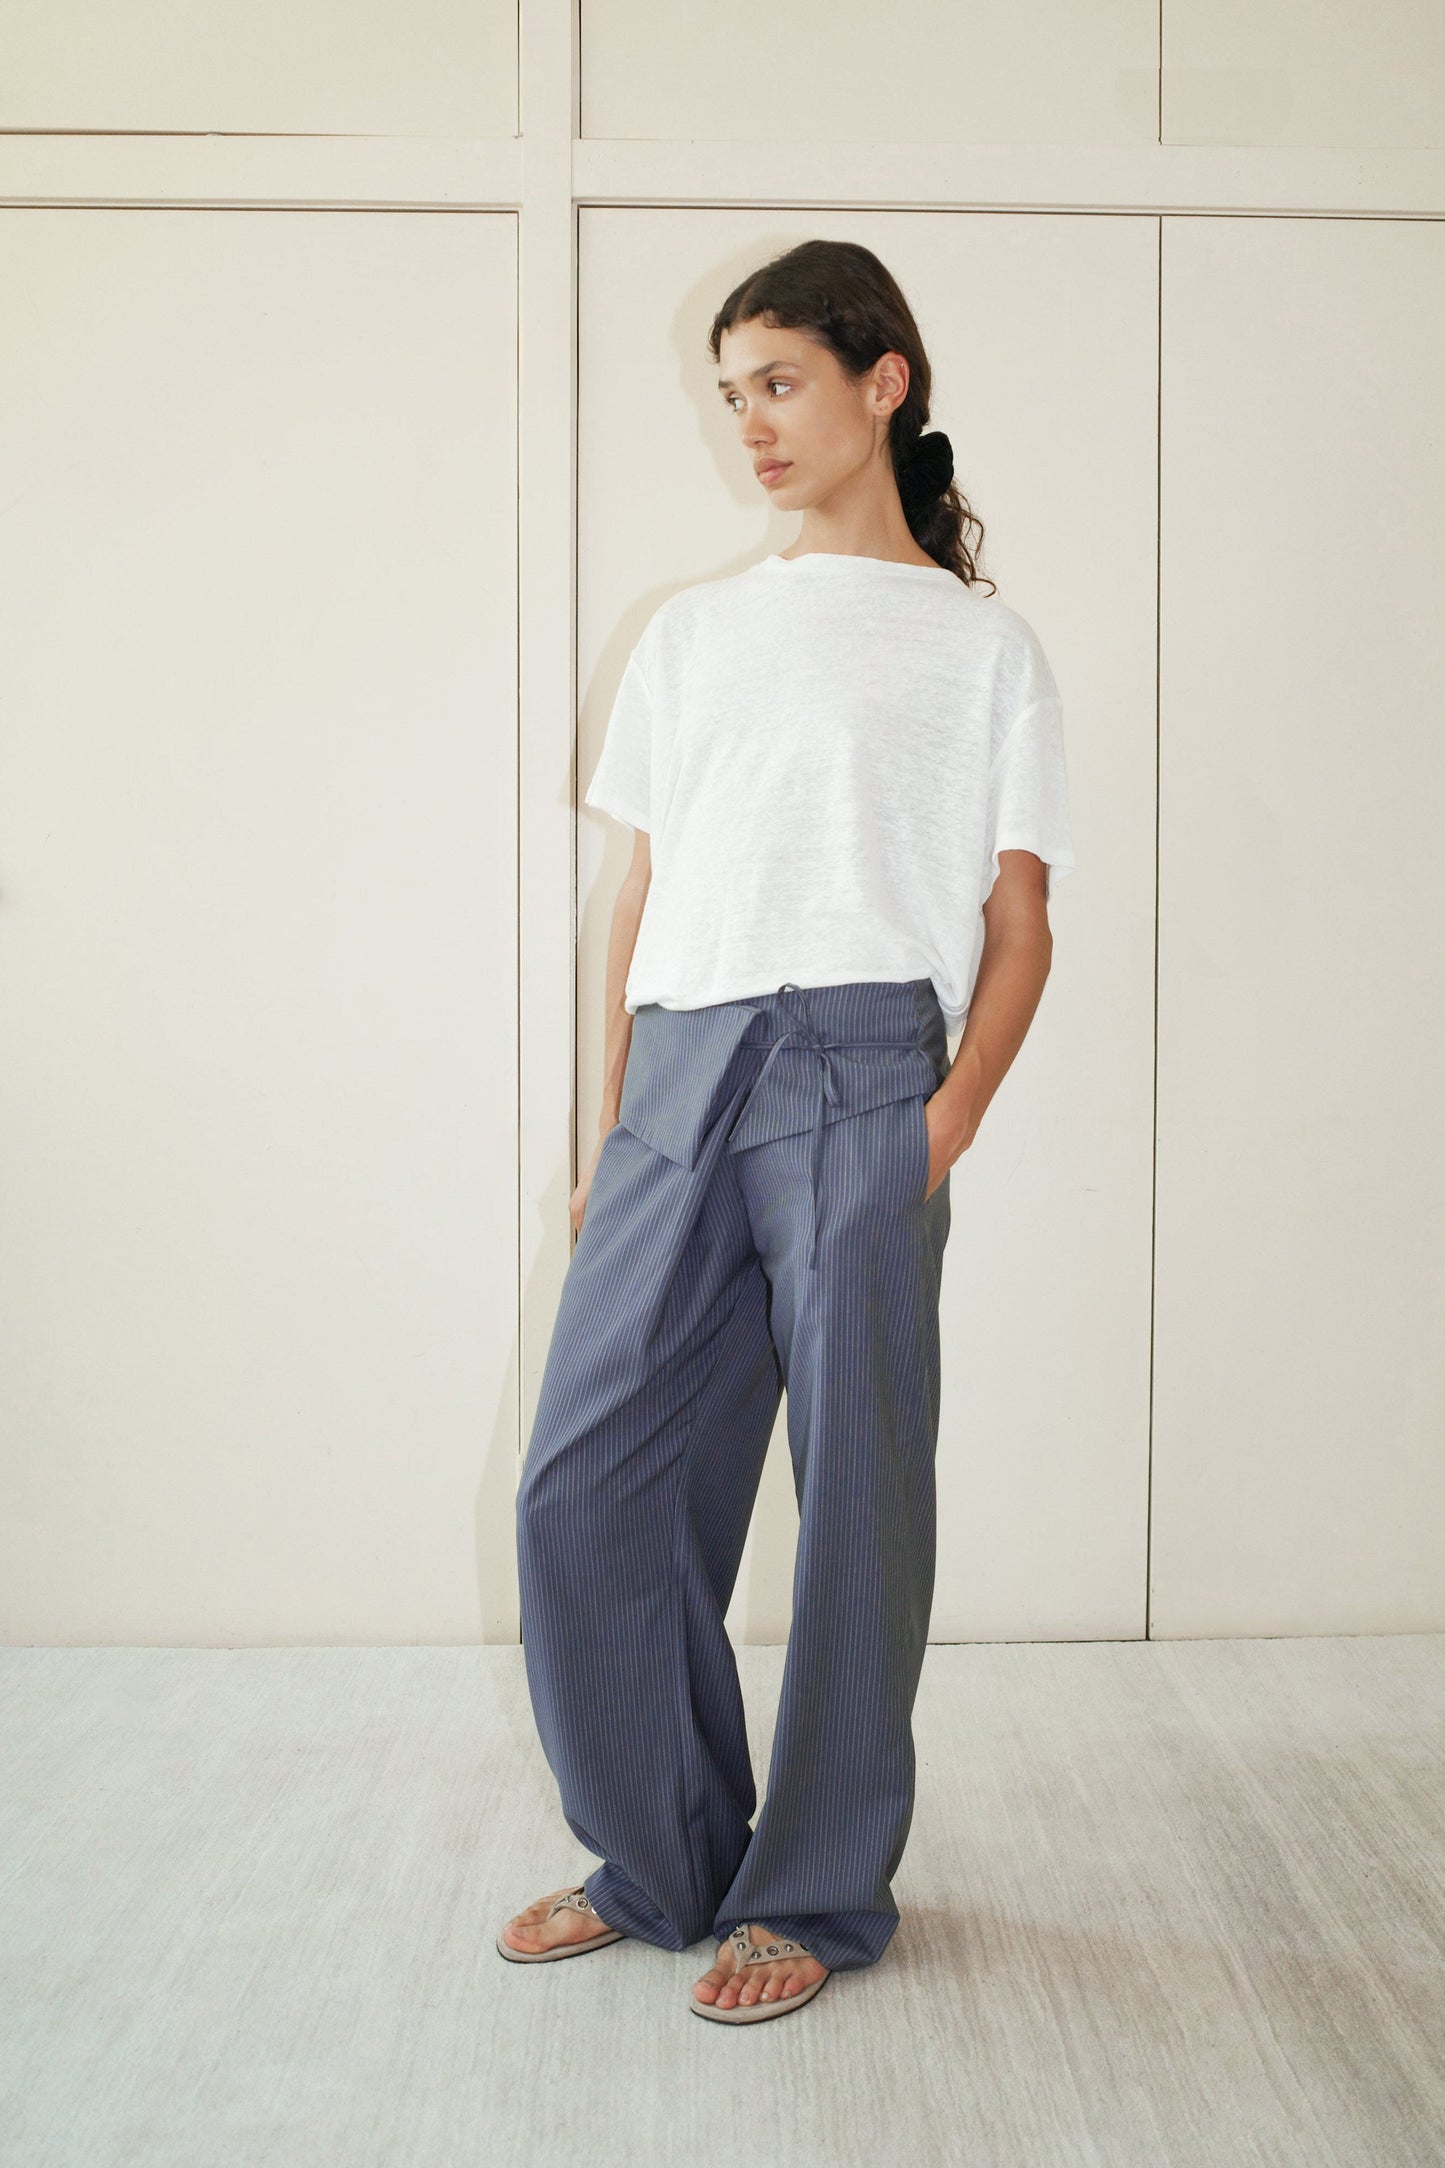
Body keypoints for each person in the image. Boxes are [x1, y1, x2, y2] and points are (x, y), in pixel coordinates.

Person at [498, 238, 1076, 2024]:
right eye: (729, 389)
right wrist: (610, 1129)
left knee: (854, 1506)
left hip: (861, 1075)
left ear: (879, 381)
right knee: (582, 1483)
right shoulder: (692, 632)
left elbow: (1018, 921)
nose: (746, 421)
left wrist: (944, 1123)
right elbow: (637, 897)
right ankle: (659, 1858)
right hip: (680, 1074)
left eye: (777, 382)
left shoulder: (981, 650)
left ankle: (813, 1894)